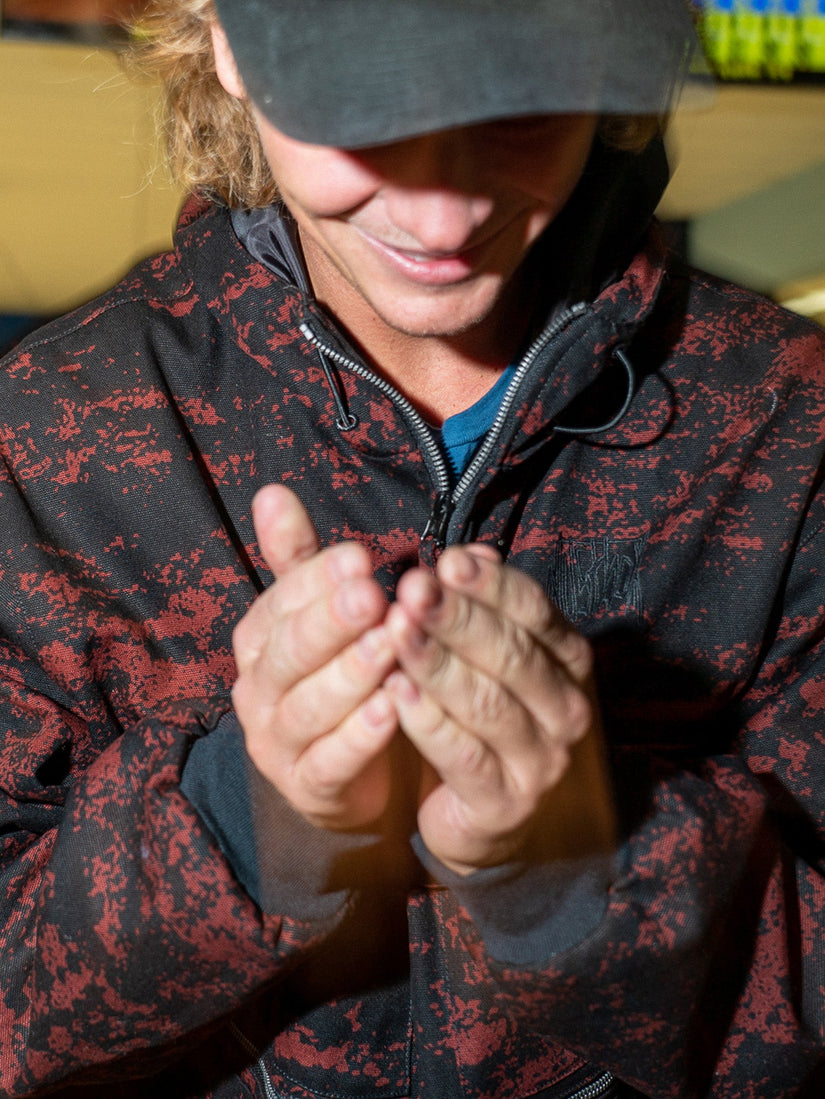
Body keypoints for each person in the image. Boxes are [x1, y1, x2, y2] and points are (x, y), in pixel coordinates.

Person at [1, 0, 824, 1095]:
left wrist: (580, 871)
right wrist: (242, 822)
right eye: (367, 111)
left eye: (520, 108)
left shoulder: (792, 427)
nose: (443, 216)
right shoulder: (47, 434)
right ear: (230, 42)